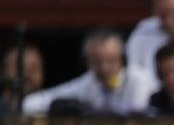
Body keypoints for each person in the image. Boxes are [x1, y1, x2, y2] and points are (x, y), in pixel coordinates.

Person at [21, 30, 152, 116]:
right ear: (86, 62)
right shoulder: (89, 82)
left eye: (111, 61)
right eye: (96, 62)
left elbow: (136, 115)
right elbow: (32, 103)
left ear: (122, 59)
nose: (104, 68)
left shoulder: (139, 80)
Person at [2, 44, 44, 113]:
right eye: (18, 66)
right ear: (3, 71)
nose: (26, 73)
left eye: (34, 67)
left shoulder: (51, 113)